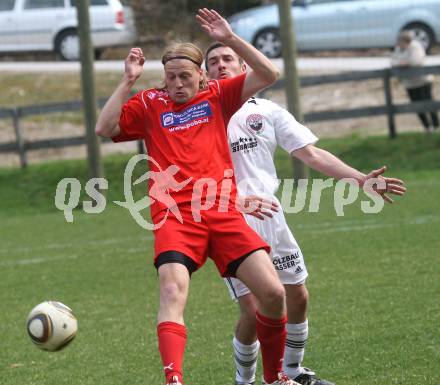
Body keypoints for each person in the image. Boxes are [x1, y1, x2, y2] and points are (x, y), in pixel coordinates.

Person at [95, 8, 301, 385]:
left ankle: (275, 379)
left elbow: (270, 73)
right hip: (175, 216)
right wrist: (127, 81)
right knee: (172, 290)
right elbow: (103, 127)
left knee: (273, 293)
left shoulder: (218, 95)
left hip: (223, 214)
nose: (176, 84)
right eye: (170, 77)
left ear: (201, 75)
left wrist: (230, 39)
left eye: (185, 76)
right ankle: (174, 379)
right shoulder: (149, 104)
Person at [205, 42, 407, 385]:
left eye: (227, 59)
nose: (220, 65)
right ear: (205, 73)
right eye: (212, 62)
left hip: (271, 217)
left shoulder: (267, 111)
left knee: (297, 295)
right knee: (254, 310)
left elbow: (311, 154)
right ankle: (246, 381)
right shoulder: (202, 116)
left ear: (242, 67)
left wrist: (359, 180)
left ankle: (294, 371)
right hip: (230, 221)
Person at [391, 31, 439, 133]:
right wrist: (402, 63)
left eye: (400, 41)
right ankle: (427, 127)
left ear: (405, 41)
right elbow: (393, 62)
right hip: (410, 84)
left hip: (422, 81)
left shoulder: (415, 47)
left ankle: (436, 125)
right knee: (416, 106)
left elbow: (416, 61)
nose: (398, 44)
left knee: (428, 103)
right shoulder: (398, 49)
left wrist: (404, 63)